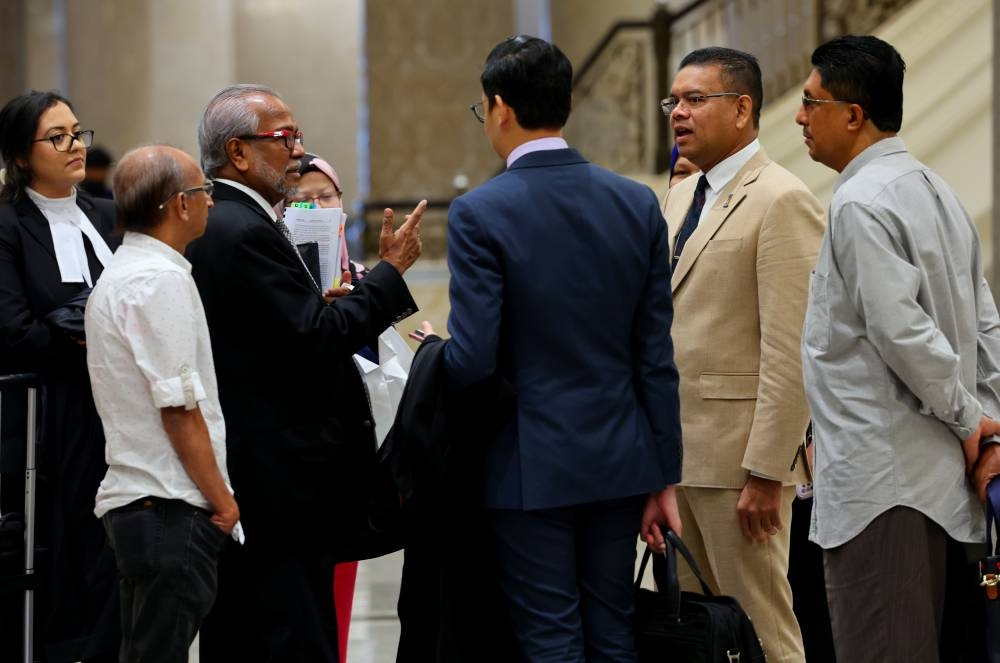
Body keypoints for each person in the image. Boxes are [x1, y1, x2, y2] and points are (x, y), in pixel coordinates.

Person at [414, 35, 682, 662]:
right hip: (621, 457)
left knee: (550, 638)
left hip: (528, 463)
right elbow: (655, 353)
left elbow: (475, 358)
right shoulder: (636, 203)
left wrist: (432, 357)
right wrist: (663, 472)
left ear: (501, 107)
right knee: (613, 629)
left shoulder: (480, 212)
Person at [186, 83, 424, 662]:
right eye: (283, 138)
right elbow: (315, 340)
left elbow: (285, 330)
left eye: (297, 137)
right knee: (288, 636)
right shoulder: (242, 231)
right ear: (238, 152)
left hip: (265, 474)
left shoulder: (234, 220)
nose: (296, 151)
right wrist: (389, 274)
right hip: (276, 484)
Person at [797, 35, 1000, 663]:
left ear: (853, 115)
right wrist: (988, 429)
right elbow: (985, 328)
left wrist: (975, 424)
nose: (800, 117)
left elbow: (901, 333)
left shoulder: (860, 202)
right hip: (934, 482)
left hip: (883, 486)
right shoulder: (935, 189)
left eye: (811, 103)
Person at [661, 47, 824, 663]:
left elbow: (792, 349)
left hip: (740, 468)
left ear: (742, 108)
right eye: (674, 100)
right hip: (678, 455)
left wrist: (766, 472)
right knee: (695, 634)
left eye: (696, 99)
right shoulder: (678, 195)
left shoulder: (780, 198)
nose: (679, 112)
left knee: (760, 632)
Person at [86, 145, 239, 663]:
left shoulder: (127, 269)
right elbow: (178, 407)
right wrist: (222, 500)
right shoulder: (159, 280)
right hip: (169, 502)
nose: (211, 203)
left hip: (141, 501)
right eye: (205, 192)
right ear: (179, 203)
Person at [0, 90, 119, 663]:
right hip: (50, 416)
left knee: (115, 558)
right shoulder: (7, 226)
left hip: (118, 408)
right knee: (65, 554)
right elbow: (15, 329)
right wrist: (87, 332)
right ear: (22, 156)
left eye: (78, 133)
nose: (75, 146)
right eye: (58, 137)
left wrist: (84, 327)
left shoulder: (107, 213)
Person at [284, 151, 361, 663]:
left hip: (349, 451)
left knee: (341, 588)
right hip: (295, 449)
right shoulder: (276, 275)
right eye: (302, 202)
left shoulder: (362, 272)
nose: (315, 208)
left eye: (325, 198)